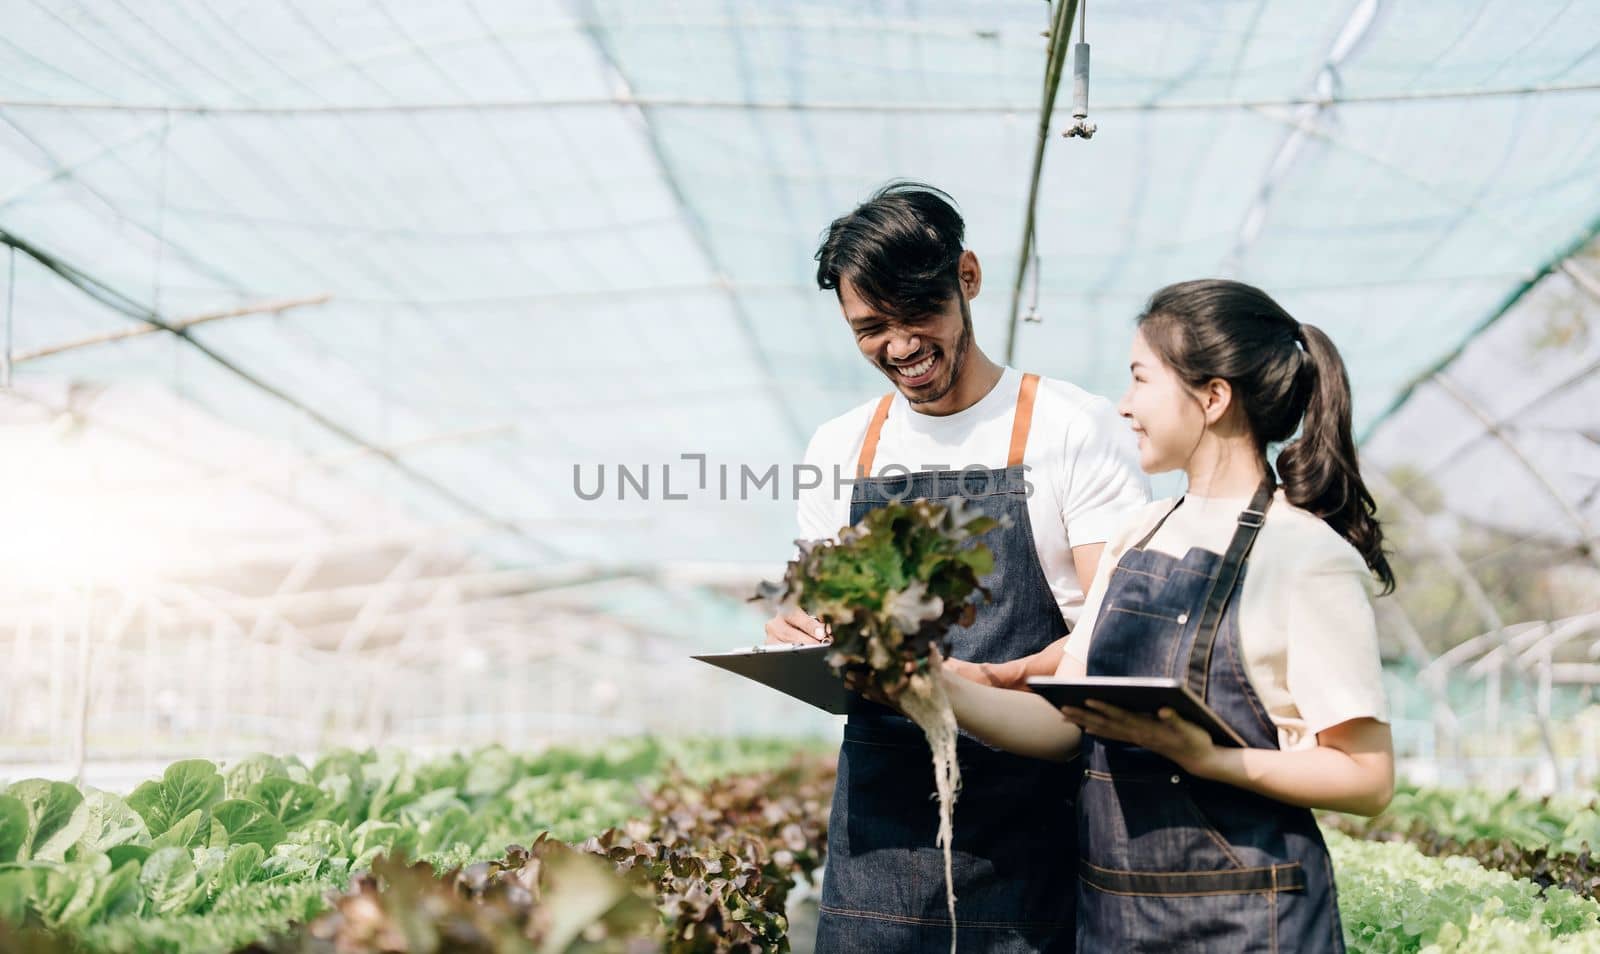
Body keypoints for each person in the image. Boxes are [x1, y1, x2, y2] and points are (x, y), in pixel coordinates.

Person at [944, 279, 1396, 952]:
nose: (1124, 407)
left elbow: (1366, 778)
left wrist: (1208, 758)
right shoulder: (1139, 534)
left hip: (1249, 923)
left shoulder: (1304, 557)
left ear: (1212, 398)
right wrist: (933, 686)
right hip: (1116, 915)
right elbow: (1062, 724)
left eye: (1140, 380)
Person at [765, 181, 1148, 952]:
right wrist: (800, 637)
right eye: (870, 328)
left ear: (967, 279)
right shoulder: (841, 448)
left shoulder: (1071, 429)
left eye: (917, 315)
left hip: (1036, 829)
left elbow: (1112, 642)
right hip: (881, 839)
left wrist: (985, 682)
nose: (899, 346)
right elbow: (834, 629)